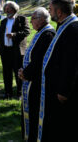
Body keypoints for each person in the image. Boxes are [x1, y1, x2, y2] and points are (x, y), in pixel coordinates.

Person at [37, 0, 78, 141]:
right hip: (56, 89)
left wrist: (63, 91)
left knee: (67, 129)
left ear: (59, 12)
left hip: (66, 94)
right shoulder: (65, 26)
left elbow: (73, 63)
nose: (49, 12)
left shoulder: (74, 29)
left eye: (50, 9)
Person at [18, 8, 55, 142]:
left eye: (33, 18)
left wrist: (26, 73)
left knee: (34, 113)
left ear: (40, 20)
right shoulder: (41, 32)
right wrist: (23, 70)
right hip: (31, 79)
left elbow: (39, 60)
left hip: (37, 82)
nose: (31, 21)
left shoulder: (47, 34)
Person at [0, 1, 30, 99]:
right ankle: (8, 93)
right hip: (5, 50)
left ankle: (19, 93)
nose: (6, 11)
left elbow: (27, 31)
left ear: (14, 9)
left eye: (8, 9)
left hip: (17, 51)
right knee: (6, 73)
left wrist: (14, 35)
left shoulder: (21, 19)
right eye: (5, 9)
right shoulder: (3, 21)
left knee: (18, 72)